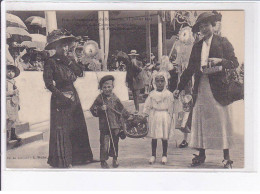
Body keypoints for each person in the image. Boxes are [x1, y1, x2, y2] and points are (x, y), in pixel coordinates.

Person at [173, 12, 239, 168]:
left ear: (213, 26)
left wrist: (220, 61)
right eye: (201, 26)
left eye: (206, 25)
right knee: (200, 120)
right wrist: (179, 87)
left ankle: (226, 157)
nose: (203, 28)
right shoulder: (197, 46)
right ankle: (201, 155)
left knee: (221, 121)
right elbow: (189, 69)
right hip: (201, 87)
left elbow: (234, 63)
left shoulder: (223, 42)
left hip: (219, 89)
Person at [43, 29, 93, 168]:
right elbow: (48, 84)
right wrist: (62, 96)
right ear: (55, 47)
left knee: (77, 125)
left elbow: (80, 73)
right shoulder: (50, 62)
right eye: (61, 45)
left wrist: (70, 61)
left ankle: (80, 158)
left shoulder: (69, 61)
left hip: (73, 95)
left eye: (65, 45)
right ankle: (63, 160)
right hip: (60, 97)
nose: (65, 48)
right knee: (63, 128)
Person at [90, 75, 131, 169]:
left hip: (115, 125)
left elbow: (122, 110)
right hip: (104, 126)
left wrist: (129, 116)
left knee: (115, 143)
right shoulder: (99, 98)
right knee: (104, 143)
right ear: (101, 88)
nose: (107, 89)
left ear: (113, 87)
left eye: (109, 87)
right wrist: (100, 109)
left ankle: (115, 158)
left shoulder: (115, 98)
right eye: (104, 87)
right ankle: (103, 161)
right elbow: (92, 109)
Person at [143, 71, 175, 165]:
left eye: (162, 81)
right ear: (154, 82)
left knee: (164, 136)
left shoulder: (169, 94)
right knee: (154, 136)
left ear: (165, 82)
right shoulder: (152, 94)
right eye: (157, 81)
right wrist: (145, 114)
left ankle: (164, 155)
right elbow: (147, 105)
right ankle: (153, 155)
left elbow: (172, 107)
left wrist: (171, 117)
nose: (160, 83)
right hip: (155, 115)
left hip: (165, 116)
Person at [6, 65, 22, 142]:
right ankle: (6, 136)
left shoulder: (13, 81)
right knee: (9, 119)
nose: (10, 73)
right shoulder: (4, 81)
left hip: (13, 102)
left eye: (12, 72)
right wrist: (12, 92)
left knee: (14, 119)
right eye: (8, 71)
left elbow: (17, 94)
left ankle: (13, 134)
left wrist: (18, 103)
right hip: (7, 102)